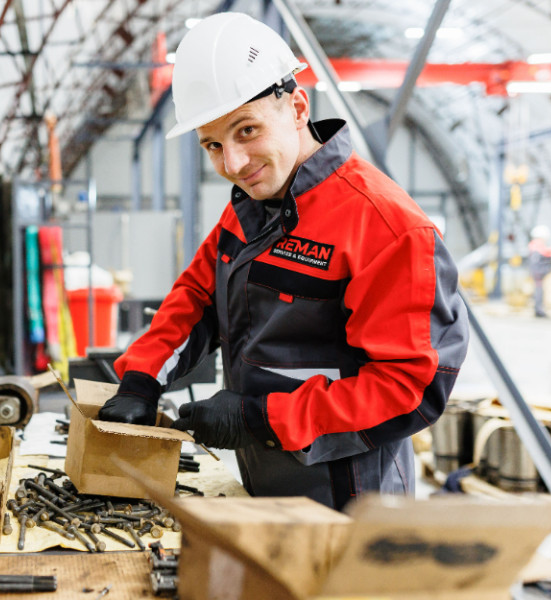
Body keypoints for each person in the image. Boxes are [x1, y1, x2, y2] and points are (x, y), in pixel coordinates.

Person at [96, 12, 469, 510]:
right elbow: (197, 296)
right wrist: (141, 380)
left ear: (296, 107)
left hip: (350, 493)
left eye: (246, 131)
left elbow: (409, 388)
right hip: (261, 473)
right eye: (212, 145)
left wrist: (260, 419)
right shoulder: (252, 208)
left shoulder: (385, 227)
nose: (232, 164)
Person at [527, 225, 551, 318]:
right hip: (538, 273)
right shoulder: (536, 244)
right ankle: (539, 310)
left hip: (537, 272)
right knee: (539, 291)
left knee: (539, 290)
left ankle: (538, 309)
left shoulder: (533, 244)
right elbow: (545, 252)